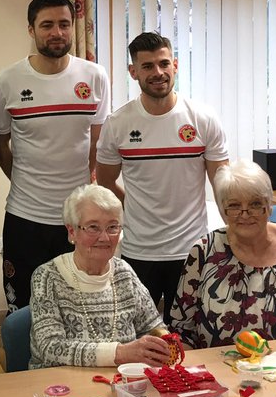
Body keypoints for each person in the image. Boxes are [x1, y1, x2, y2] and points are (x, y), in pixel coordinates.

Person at [96, 31, 228, 323]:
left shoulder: (203, 118)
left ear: (175, 65)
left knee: (190, 335)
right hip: (139, 251)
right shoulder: (117, 124)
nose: (158, 72)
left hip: (192, 251)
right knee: (137, 335)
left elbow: (223, 186)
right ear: (133, 72)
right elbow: (105, 182)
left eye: (164, 63)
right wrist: (135, 208)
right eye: (147, 66)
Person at [0, 0, 109, 312]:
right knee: (24, 309)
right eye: (47, 25)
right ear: (31, 30)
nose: (57, 32)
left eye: (64, 24)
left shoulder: (95, 77)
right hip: (25, 216)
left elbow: (97, 142)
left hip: (78, 218)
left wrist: (83, 188)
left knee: (80, 307)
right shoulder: (6, 81)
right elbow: (0, 145)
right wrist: (26, 180)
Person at [169, 159, 276, 365]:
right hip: (219, 374)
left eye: (255, 204)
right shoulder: (204, 251)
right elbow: (182, 330)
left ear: (269, 207)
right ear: (223, 210)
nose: (245, 214)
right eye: (234, 206)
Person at [29, 185, 169, 369]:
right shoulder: (47, 276)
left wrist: (163, 343)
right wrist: (120, 353)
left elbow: (154, 327)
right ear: (72, 231)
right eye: (93, 227)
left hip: (122, 379)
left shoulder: (124, 273)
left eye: (112, 227)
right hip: (60, 382)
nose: (104, 237)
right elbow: (51, 348)